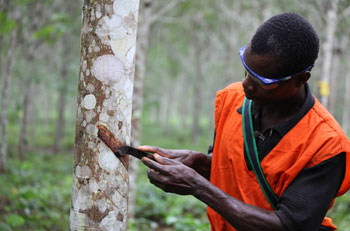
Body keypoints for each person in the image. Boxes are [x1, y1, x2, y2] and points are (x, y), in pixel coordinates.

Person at [139, 12, 350, 231]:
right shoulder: (231, 99)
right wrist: (200, 163)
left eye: (262, 81)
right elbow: (240, 171)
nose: (246, 84)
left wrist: (197, 186)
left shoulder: (327, 146)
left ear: (300, 79)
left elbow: (288, 225)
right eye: (247, 71)